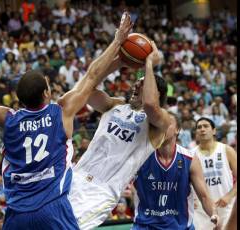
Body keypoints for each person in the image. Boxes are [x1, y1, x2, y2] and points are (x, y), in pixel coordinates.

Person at [0, 12, 133, 230]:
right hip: (53, 209)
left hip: (17, 212)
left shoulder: (7, 117)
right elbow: (93, 75)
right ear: (47, 93)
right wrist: (117, 41)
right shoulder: (61, 111)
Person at [66, 27, 174, 229]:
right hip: (75, 176)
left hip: (101, 191)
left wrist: (149, 63)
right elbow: (87, 86)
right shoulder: (114, 105)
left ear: (156, 93)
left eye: (141, 85)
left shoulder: (160, 121)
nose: (135, 86)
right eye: (136, 82)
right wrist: (119, 62)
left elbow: (150, 105)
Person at [132, 112, 221, 229]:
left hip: (180, 226)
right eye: (158, 123)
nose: (161, 126)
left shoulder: (190, 159)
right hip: (146, 225)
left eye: (167, 123)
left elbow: (204, 196)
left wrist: (214, 214)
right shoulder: (140, 156)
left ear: (177, 129)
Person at [192, 117, 237, 230]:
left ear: (214, 131)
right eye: (199, 127)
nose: (202, 129)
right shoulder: (191, 154)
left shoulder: (226, 150)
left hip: (226, 206)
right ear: (196, 133)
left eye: (206, 126)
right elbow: (184, 181)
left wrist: (229, 196)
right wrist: (189, 199)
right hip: (202, 211)